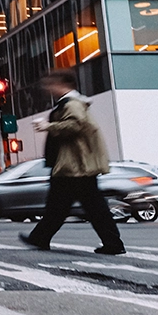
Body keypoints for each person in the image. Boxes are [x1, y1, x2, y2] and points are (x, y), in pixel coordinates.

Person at [20, 69, 122, 255]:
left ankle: (113, 243)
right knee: (67, 206)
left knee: (78, 206)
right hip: (73, 165)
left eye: (52, 84)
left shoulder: (72, 104)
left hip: (75, 166)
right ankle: (40, 238)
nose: (49, 88)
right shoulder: (70, 103)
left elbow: (76, 124)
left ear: (64, 85)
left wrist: (48, 126)